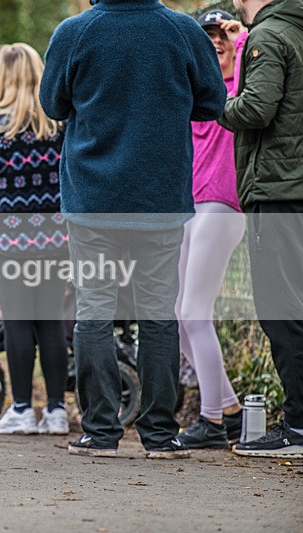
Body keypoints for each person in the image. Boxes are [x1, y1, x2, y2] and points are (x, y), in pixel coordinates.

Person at [40, 0, 226, 459]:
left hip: (93, 199)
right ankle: (160, 435)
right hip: (160, 197)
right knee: (159, 314)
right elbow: (213, 102)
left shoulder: (75, 32)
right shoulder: (182, 30)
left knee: (95, 311)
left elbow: (52, 103)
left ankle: (101, 431)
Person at [0, 43, 70, 435]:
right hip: (56, 234)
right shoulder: (58, 121)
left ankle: (22, 408)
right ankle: (56, 411)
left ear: (2, 77)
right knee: (51, 321)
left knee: (19, 321)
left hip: (7, 238)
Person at [218, 0, 303, 458]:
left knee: (280, 307)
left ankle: (298, 426)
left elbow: (256, 109)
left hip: (277, 189)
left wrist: (215, 102)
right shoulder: (288, 31)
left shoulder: (269, 37)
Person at [175, 9, 246, 450]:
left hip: (223, 205)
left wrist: (240, 38)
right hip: (189, 206)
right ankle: (231, 411)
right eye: (209, 35)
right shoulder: (197, 92)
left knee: (193, 312)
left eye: (223, 33)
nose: (216, 40)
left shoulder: (243, 87)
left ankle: (212, 419)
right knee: (177, 315)